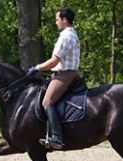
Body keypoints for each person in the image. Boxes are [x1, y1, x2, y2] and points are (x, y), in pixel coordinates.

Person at [27, 7, 80, 150]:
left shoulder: (66, 36)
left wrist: (36, 68)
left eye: (57, 20)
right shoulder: (71, 34)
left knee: (47, 101)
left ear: (64, 20)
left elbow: (54, 62)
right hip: (65, 73)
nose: (56, 23)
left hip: (65, 75)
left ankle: (57, 137)